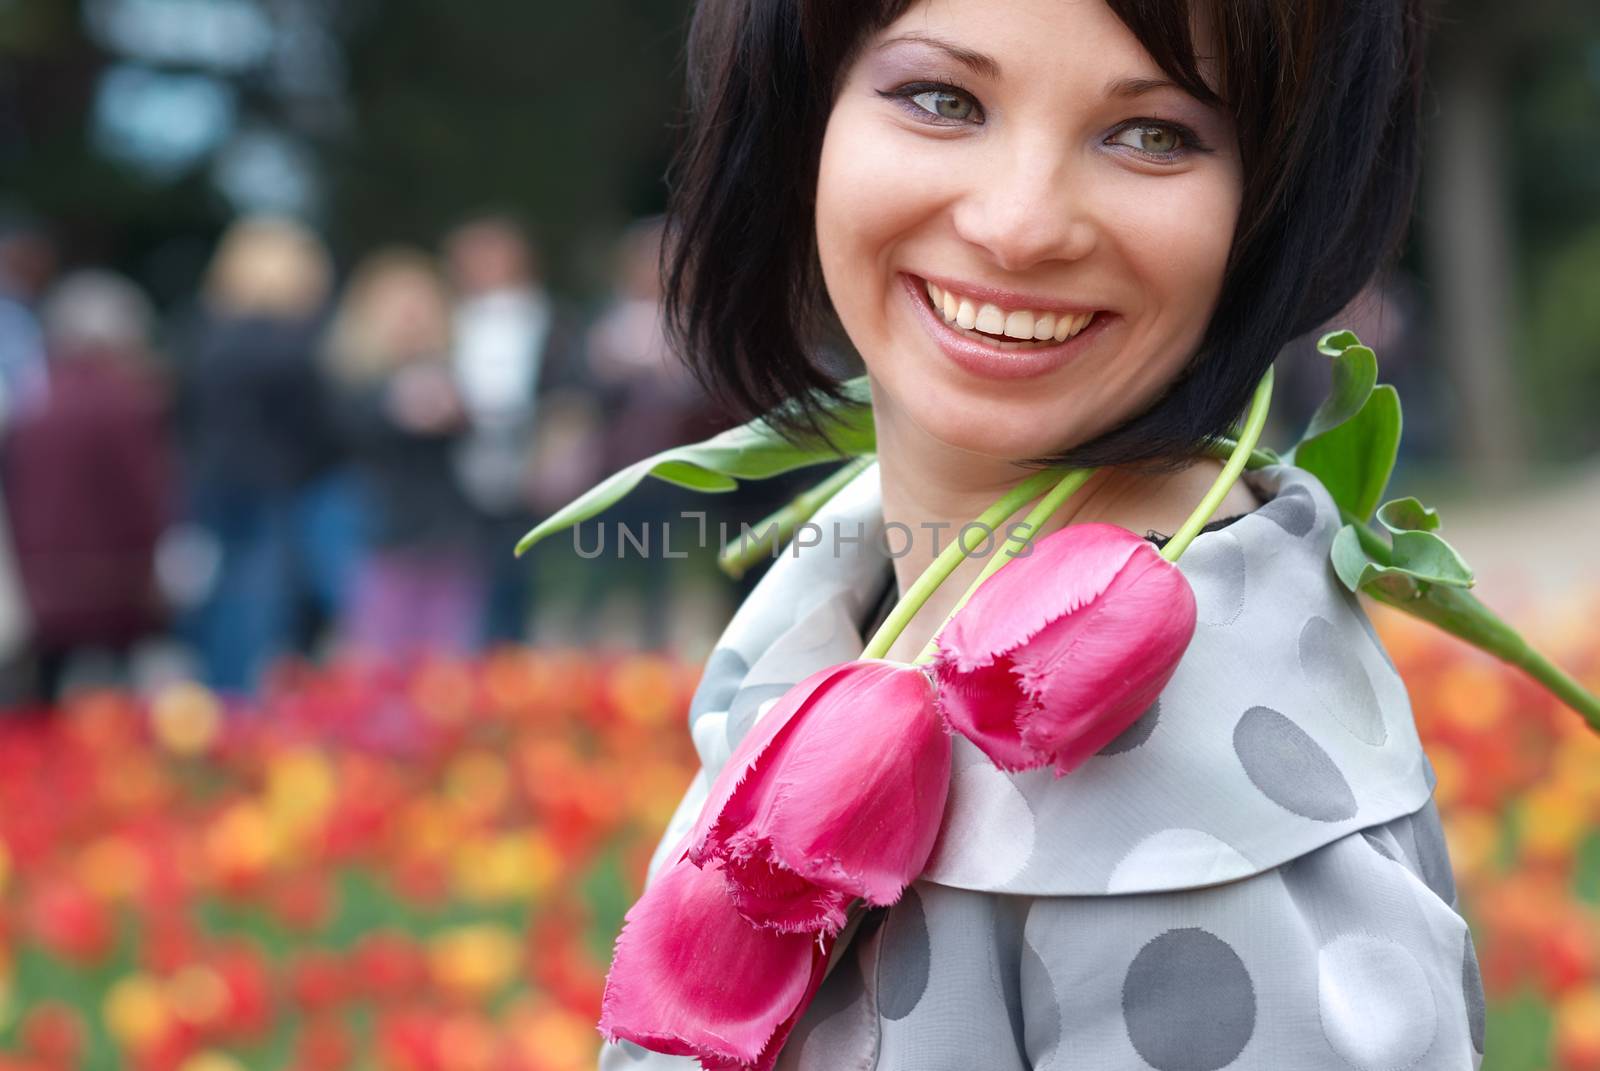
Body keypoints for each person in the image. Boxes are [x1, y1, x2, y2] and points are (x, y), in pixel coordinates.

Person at [598, 1, 1484, 1069]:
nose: (1019, 226)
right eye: (941, 99)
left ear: (1278, 196)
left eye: (1153, 134)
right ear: (804, 117)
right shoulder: (836, 602)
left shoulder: (1235, 852)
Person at [173, 216, 345, 692]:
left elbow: (182, 413)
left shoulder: (203, 333)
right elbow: (323, 428)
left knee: (218, 604)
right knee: (264, 608)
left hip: (211, 485)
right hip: (280, 488)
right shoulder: (299, 343)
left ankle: (217, 704)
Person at [1, 271, 174, 701]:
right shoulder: (127, 401)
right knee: (112, 711)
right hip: (112, 581)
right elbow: (143, 495)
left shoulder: (34, 397)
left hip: (41, 578)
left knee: (44, 703)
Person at [323, 248, 483, 659]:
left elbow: (473, 436)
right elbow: (344, 432)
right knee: (380, 657)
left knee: (448, 661)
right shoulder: (354, 379)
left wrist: (453, 409)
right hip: (380, 535)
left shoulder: (449, 368)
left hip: (448, 535)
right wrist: (395, 407)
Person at [442, 214, 585, 646]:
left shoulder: (549, 318)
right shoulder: (447, 317)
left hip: (526, 461)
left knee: (520, 578)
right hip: (457, 470)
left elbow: (569, 394)